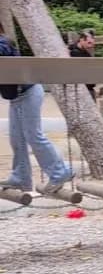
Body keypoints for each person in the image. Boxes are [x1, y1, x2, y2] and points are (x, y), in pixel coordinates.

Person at [0, 23, 73, 195]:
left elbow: (3, 51)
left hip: (28, 92)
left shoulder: (4, 42)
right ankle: (21, 177)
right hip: (16, 98)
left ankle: (60, 172)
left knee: (34, 135)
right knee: (16, 139)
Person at [68, 29, 97, 101]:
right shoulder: (74, 52)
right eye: (89, 43)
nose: (91, 45)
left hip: (88, 88)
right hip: (83, 89)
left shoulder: (85, 52)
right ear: (81, 40)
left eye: (92, 43)